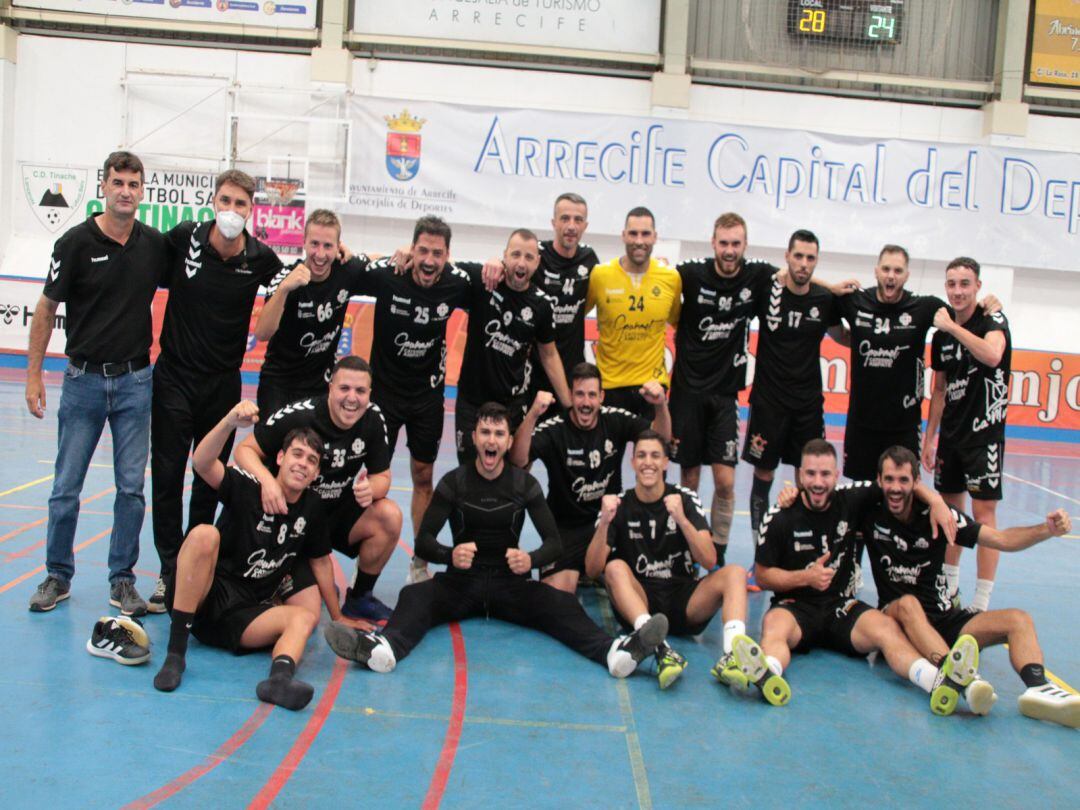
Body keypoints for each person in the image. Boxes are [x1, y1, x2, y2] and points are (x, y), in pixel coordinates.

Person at [322, 402, 670, 678]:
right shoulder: (454, 482)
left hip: (510, 584)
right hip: (461, 583)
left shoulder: (523, 485)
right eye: (485, 432)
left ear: (507, 441)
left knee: (562, 605)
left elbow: (554, 543)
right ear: (474, 438)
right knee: (414, 595)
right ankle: (382, 649)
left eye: (499, 433)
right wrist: (449, 554)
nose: (491, 440)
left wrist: (530, 560)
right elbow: (425, 541)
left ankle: (615, 653)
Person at [26, 151, 166, 616]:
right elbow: (46, 309)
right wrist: (33, 376)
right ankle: (57, 575)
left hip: (135, 383)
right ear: (103, 187)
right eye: (118, 182)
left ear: (143, 191)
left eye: (134, 183)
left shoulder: (154, 245)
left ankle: (122, 581)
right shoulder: (74, 243)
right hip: (83, 381)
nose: (126, 190)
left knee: (131, 489)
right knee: (66, 486)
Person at [152, 401, 355, 711]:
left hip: (244, 616)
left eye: (312, 460)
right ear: (280, 458)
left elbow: (321, 562)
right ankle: (175, 655)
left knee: (304, 616)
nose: (303, 463)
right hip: (204, 598)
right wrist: (230, 421)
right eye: (297, 455)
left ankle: (278, 680)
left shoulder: (312, 509)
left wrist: (338, 617)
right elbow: (203, 463)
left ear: (316, 473)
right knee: (204, 534)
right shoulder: (251, 486)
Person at [746, 439, 974, 713]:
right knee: (773, 626)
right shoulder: (780, 516)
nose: (818, 482)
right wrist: (804, 578)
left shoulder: (851, 498)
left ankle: (935, 682)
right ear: (799, 475)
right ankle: (769, 674)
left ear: (837, 474)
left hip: (842, 606)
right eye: (810, 474)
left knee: (887, 629)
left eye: (825, 474)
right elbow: (762, 576)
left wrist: (936, 499)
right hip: (796, 608)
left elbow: (899, 483)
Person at [864, 445, 1078, 728]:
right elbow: (822, 496)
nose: (895, 487)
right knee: (908, 604)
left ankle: (1039, 689)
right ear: (879, 480)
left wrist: (1046, 530)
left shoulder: (937, 514)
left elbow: (1002, 540)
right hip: (899, 618)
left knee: (1018, 619)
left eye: (903, 480)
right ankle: (955, 676)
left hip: (945, 620)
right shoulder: (868, 510)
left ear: (916, 482)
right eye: (889, 479)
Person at [150, 169, 284, 612]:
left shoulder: (262, 259)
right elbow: (141, 253)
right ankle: (170, 571)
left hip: (223, 383)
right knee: (168, 476)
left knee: (209, 479)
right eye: (225, 201)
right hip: (173, 376)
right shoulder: (184, 237)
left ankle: (197, 562)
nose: (231, 211)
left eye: (240, 204)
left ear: (251, 210)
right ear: (213, 202)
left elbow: (303, 278)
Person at [585, 430, 760, 691]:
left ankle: (732, 656)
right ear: (632, 462)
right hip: (639, 602)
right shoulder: (619, 505)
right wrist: (605, 522)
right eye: (641, 456)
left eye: (655, 456)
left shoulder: (684, 499)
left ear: (666, 462)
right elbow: (591, 570)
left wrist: (681, 520)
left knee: (734, 572)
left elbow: (710, 559)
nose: (648, 462)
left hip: (684, 599)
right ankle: (659, 648)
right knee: (614, 567)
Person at [234, 356, 402, 623]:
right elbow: (244, 451)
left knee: (390, 515)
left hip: (335, 515)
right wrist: (268, 482)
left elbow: (382, 475)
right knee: (306, 612)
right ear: (330, 387)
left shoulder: (373, 418)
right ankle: (278, 582)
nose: (352, 398)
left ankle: (359, 599)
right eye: (344, 388)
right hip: (289, 517)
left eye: (360, 391)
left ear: (370, 393)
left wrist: (373, 488)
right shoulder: (301, 415)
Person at [354, 216, 472, 585]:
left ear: (447, 256)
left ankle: (419, 563)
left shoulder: (457, 282)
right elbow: (351, 264)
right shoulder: (390, 274)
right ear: (412, 248)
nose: (429, 260)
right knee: (374, 478)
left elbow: (492, 275)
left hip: (427, 398)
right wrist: (381, 253)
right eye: (423, 250)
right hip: (384, 397)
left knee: (424, 477)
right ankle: (364, 557)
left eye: (437, 253)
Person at [834, 245, 996, 482]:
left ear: (907, 276)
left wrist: (988, 304)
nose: (891, 275)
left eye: (898, 270)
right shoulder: (855, 301)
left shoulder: (924, 307)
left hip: (904, 427)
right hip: (861, 424)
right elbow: (824, 310)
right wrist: (831, 289)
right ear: (876, 271)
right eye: (886, 269)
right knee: (862, 495)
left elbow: (964, 315)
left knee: (905, 495)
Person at [670, 213, 778, 565]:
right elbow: (655, 278)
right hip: (686, 392)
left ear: (745, 245)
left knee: (726, 482)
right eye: (724, 243)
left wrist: (835, 288)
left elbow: (795, 273)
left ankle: (717, 552)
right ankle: (687, 547)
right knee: (689, 476)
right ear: (713, 243)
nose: (729, 250)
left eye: (736, 244)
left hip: (725, 396)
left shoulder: (757, 275)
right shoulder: (689, 274)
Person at [509, 363, 671, 593]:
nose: (586, 403)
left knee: (641, 585)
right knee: (556, 595)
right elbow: (517, 460)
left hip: (608, 524)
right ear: (571, 396)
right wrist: (533, 413)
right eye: (580, 394)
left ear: (602, 397)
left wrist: (661, 405)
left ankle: (604, 576)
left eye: (592, 395)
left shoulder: (615, 419)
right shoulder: (554, 429)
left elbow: (660, 442)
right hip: (565, 529)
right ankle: (585, 570)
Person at [743, 230, 843, 545]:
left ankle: (805, 545)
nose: (803, 263)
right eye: (798, 256)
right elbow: (777, 276)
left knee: (809, 478)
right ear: (787, 256)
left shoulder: (825, 300)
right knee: (764, 475)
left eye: (810, 258)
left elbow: (842, 336)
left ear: (816, 261)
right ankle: (762, 546)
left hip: (807, 406)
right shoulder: (767, 290)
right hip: (768, 403)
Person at [923, 257, 1012, 611]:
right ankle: (950, 588)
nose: (957, 291)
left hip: (984, 435)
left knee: (983, 515)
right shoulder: (940, 336)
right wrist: (930, 437)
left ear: (977, 286)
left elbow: (991, 355)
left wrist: (953, 326)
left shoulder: (993, 319)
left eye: (964, 283)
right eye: (951, 284)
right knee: (949, 513)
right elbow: (940, 390)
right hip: (952, 437)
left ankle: (982, 601)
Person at [454, 228, 571, 463]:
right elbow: (442, 267)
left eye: (529, 257)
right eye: (515, 255)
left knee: (512, 475)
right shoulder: (483, 280)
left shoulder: (542, 305)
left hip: (512, 405)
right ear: (504, 256)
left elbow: (549, 355)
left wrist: (569, 406)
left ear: (537, 263)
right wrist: (409, 251)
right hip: (471, 402)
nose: (521, 262)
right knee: (469, 474)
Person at [254, 209, 372, 416]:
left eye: (328, 246)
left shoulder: (346, 270)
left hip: (321, 387)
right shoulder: (286, 276)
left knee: (316, 448)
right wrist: (283, 290)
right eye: (314, 244)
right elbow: (262, 333)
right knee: (270, 448)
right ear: (304, 242)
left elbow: (381, 263)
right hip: (279, 385)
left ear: (338, 247)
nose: (320, 254)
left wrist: (406, 251)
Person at [585, 207, 681, 419]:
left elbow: (680, 324)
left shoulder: (671, 278)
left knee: (654, 452)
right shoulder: (600, 275)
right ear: (623, 235)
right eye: (633, 233)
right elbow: (574, 318)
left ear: (655, 237)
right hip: (609, 386)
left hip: (653, 387)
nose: (639, 240)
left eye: (645, 234)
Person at [530, 193, 600, 400]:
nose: (571, 226)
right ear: (554, 223)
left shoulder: (590, 259)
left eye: (578, 220)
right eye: (565, 218)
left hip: (572, 371)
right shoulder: (536, 254)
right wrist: (495, 263)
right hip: (534, 369)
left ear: (585, 226)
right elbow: (509, 265)